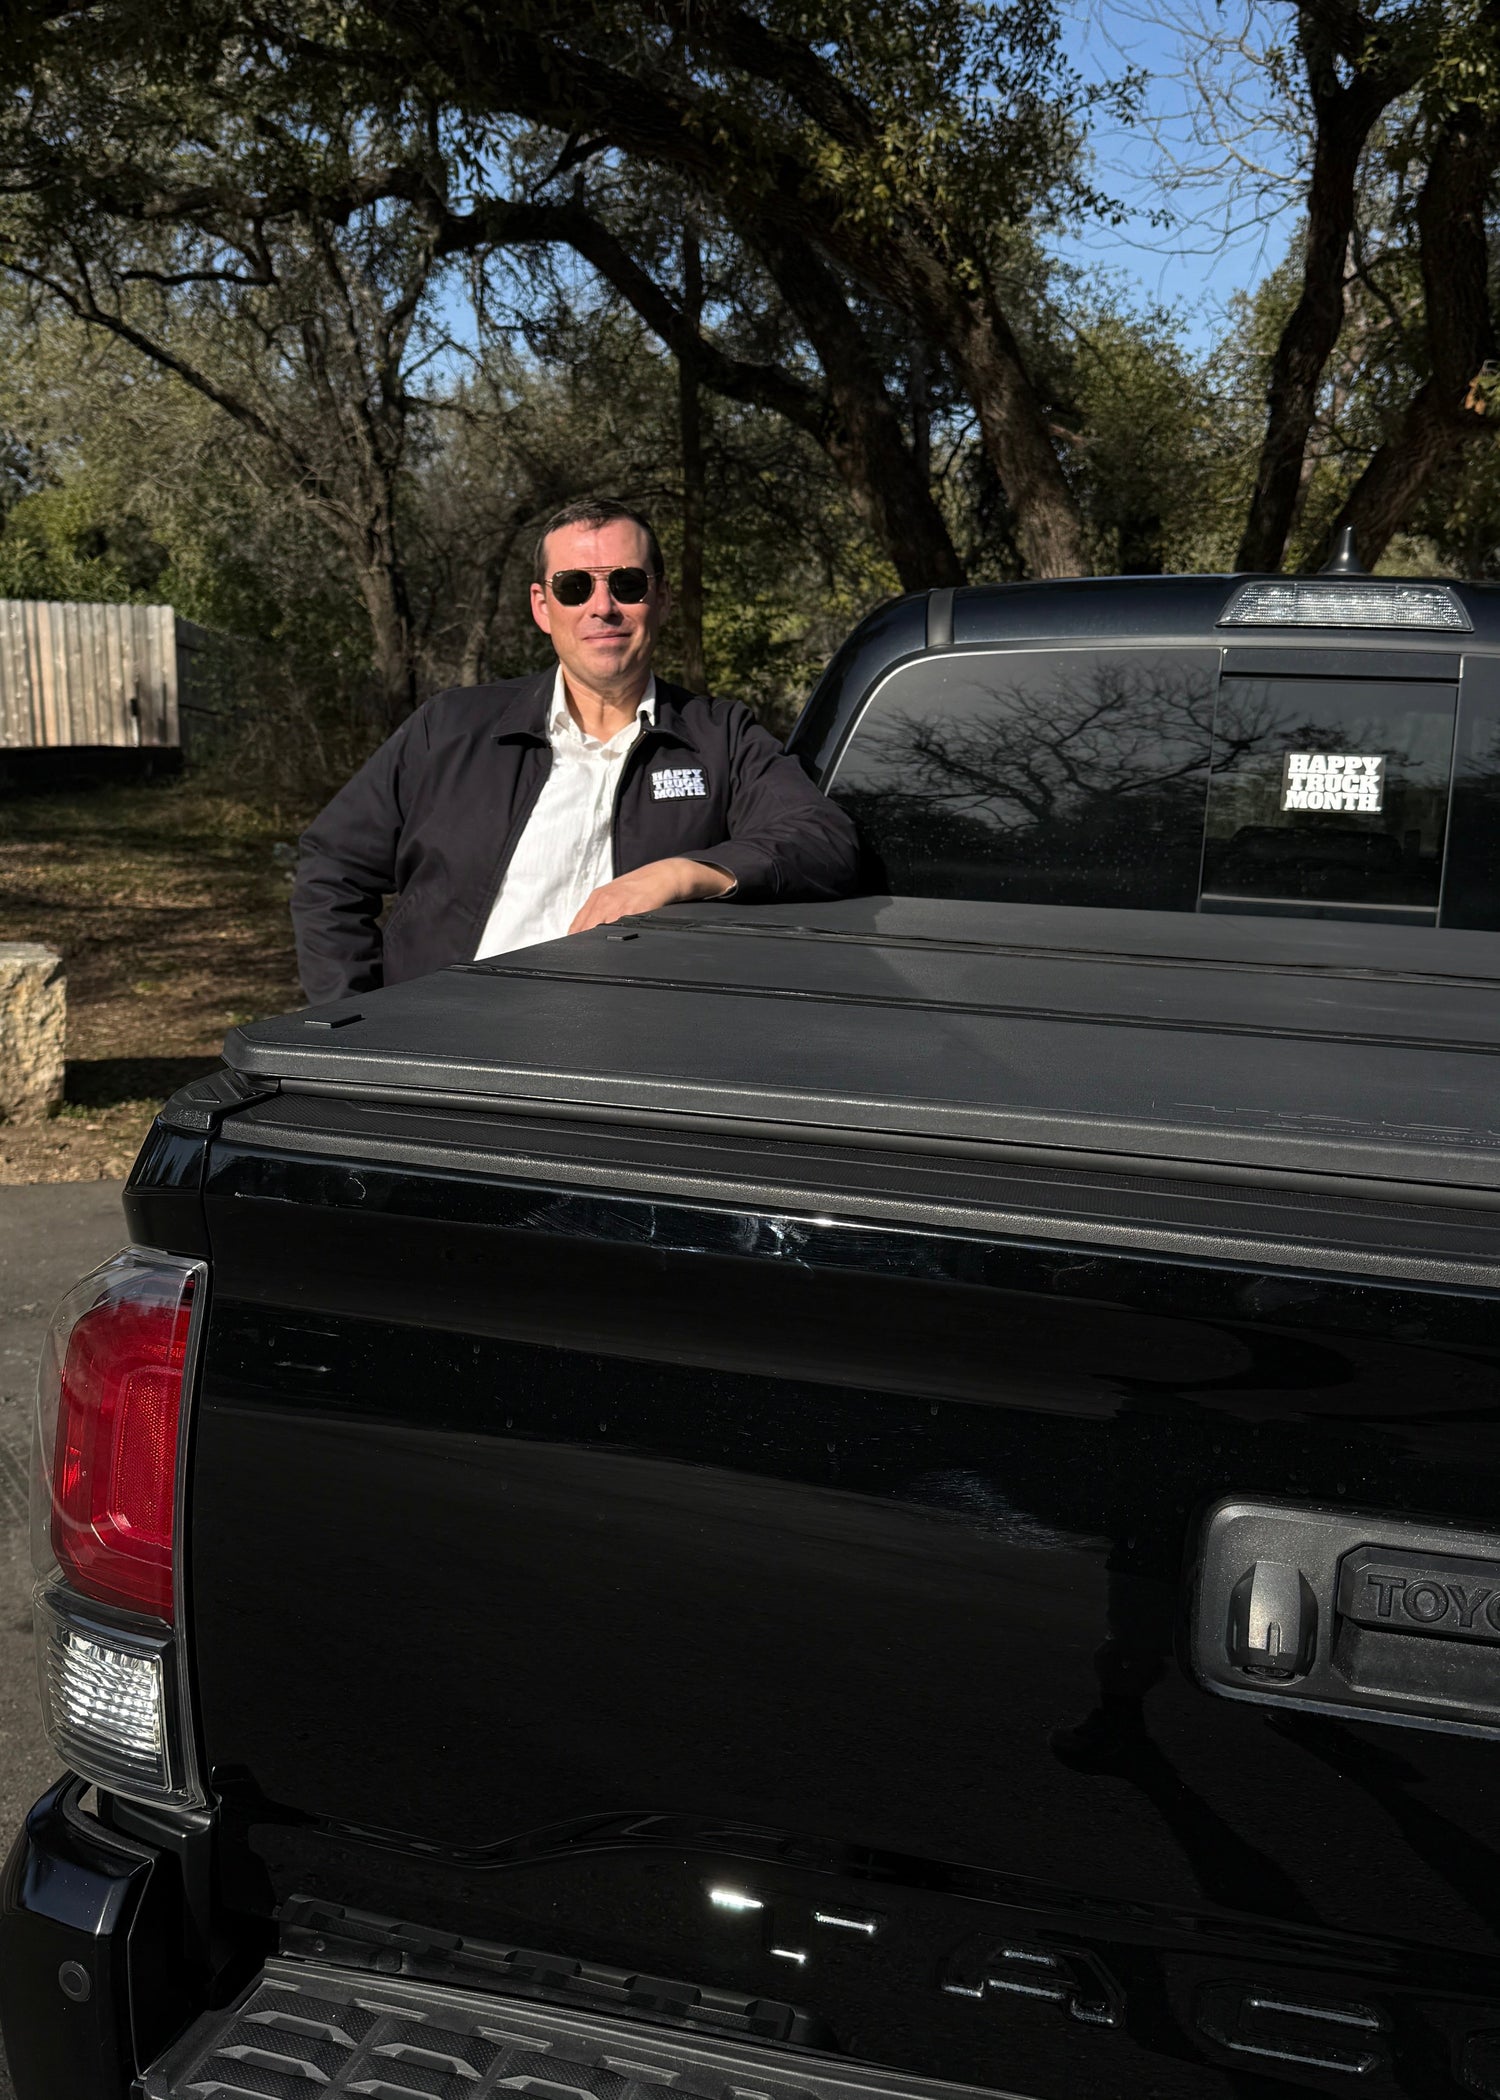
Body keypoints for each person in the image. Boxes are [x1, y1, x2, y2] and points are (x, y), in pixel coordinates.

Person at [291, 499, 861, 1004]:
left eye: (628, 584)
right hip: (441, 1057)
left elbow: (824, 839)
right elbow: (332, 867)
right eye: (575, 586)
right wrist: (352, 1021)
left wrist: (682, 873)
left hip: (618, 1074)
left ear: (661, 598)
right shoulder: (452, 727)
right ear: (543, 606)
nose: (603, 606)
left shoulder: (719, 736)